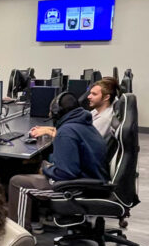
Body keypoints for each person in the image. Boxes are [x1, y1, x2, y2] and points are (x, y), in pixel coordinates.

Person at [9, 92, 108, 233]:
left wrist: (46, 169)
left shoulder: (66, 132)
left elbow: (66, 173)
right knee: (40, 165)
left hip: (79, 187)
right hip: (93, 179)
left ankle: (19, 235)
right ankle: (37, 219)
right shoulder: (83, 123)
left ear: (58, 113)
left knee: (17, 182)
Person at [30, 77, 119, 139]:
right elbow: (76, 130)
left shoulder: (104, 119)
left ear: (106, 97)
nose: (88, 97)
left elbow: (77, 139)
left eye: (94, 94)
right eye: (90, 93)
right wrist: (46, 129)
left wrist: (48, 132)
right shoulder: (96, 112)